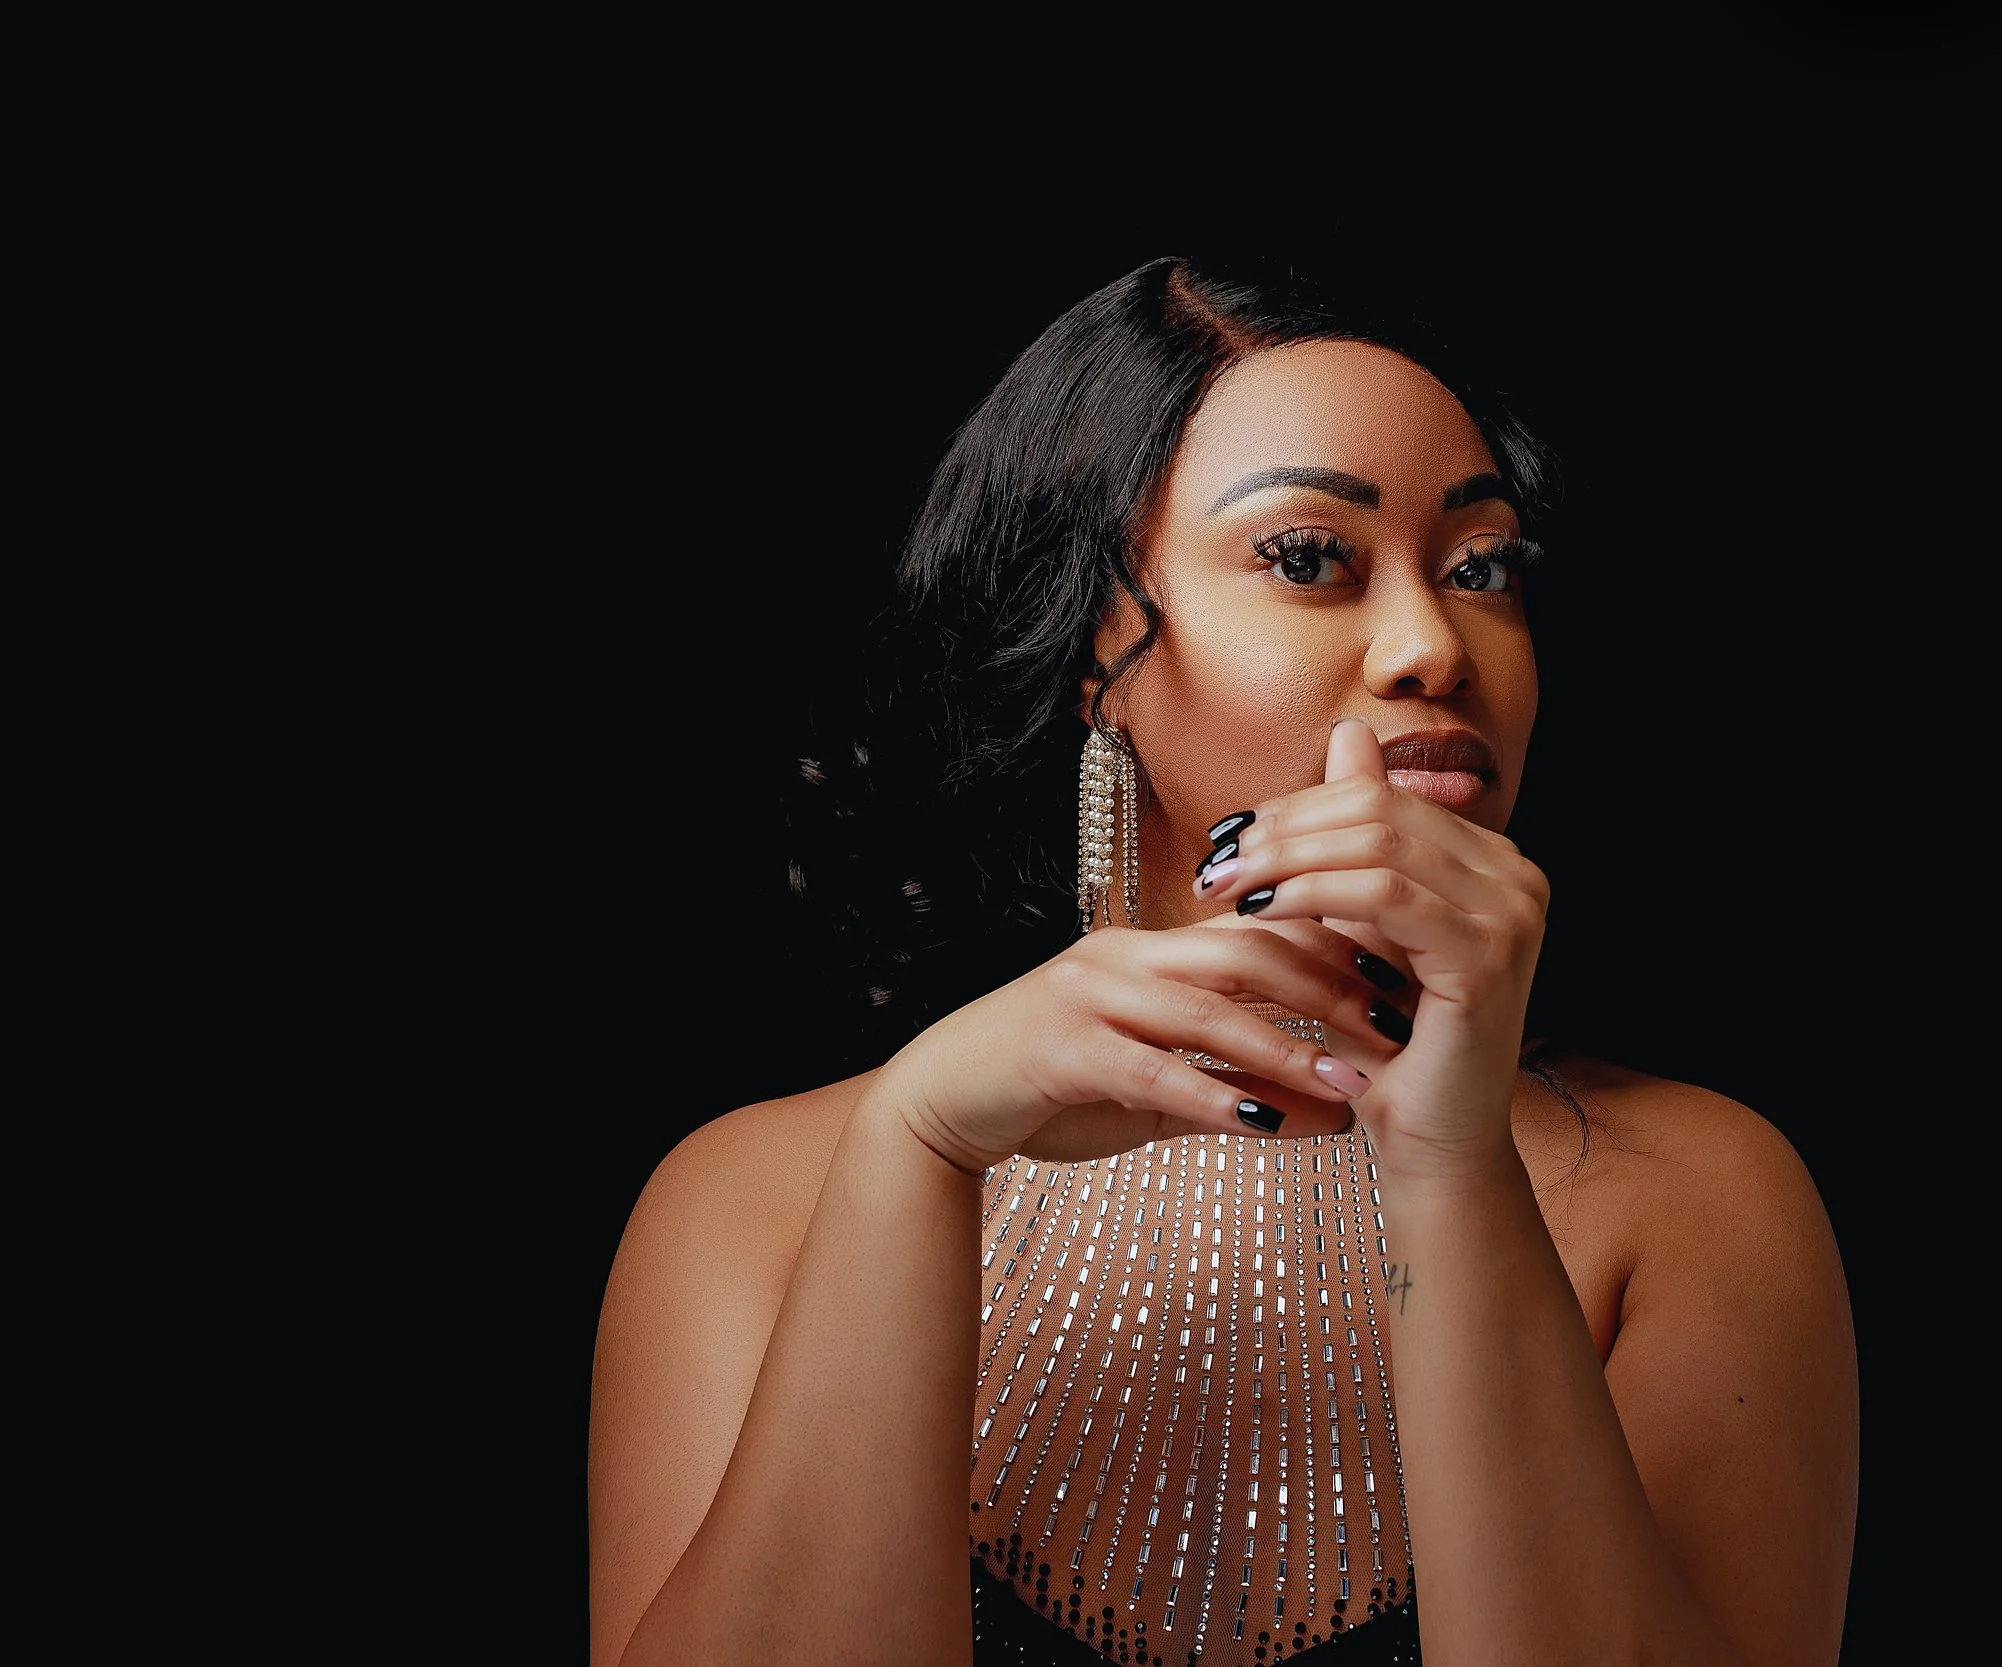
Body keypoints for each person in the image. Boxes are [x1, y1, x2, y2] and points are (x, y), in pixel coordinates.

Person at [587, 253, 1860, 1667]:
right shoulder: (749, 1204)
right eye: (1310, 557)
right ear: (1091, 643)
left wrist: (1450, 1165)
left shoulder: (1692, 1199)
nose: (1435, 645)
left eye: (1482, 567)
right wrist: (917, 1148)